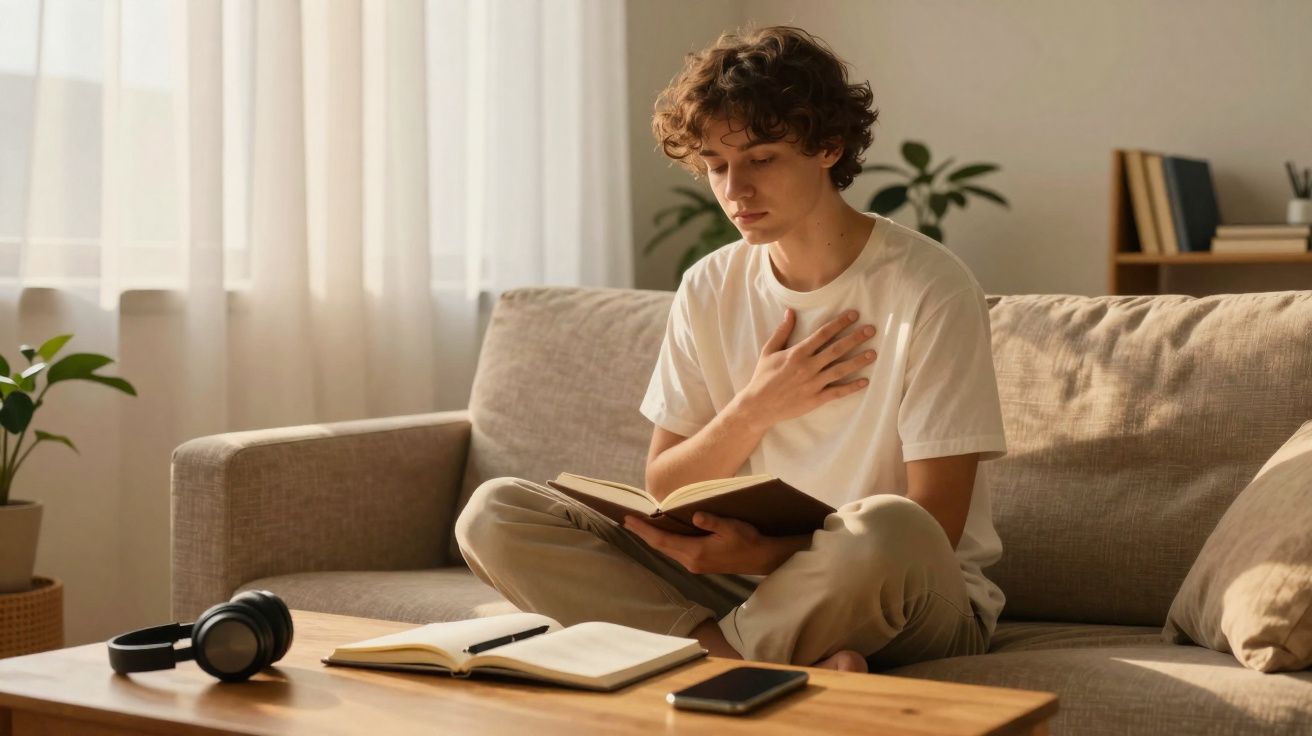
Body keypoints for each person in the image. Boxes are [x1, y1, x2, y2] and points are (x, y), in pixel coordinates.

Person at [456, 25, 1007, 673]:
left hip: (905, 587)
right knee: (495, 513)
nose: (734, 191)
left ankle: (711, 663)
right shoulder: (709, 284)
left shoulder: (931, 287)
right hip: (743, 589)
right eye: (717, 167)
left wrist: (765, 555)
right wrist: (757, 406)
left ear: (828, 147)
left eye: (762, 159)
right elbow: (665, 482)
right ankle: (758, 659)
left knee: (888, 525)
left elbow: (934, 529)